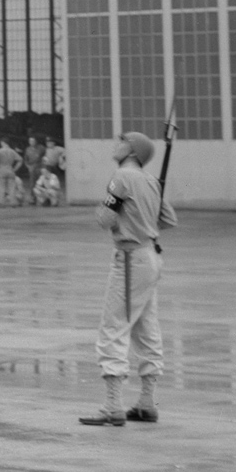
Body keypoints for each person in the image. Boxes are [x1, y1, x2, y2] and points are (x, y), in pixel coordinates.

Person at [79, 131, 177, 426]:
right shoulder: (150, 181)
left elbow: (105, 219)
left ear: (133, 150)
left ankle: (112, 406)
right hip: (150, 255)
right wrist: (143, 222)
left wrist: (121, 219)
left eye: (122, 140)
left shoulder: (121, 176)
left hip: (131, 258)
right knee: (146, 328)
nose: (116, 143)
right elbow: (169, 220)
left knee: (114, 327)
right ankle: (147, 401)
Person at [0, 140, 21, 206]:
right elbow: (20, 160)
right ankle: (13, 202)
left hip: (2, 169)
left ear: (3, 143)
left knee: (1, 186)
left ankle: (1, 202)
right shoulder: (12, 151)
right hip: (10, 169)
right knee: (12, 187)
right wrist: (15, 169)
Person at [23, 134, 44, 200]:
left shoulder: (41, 148)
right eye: (30, 141)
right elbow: (25, 160)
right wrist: (28, 167)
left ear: (36, 141)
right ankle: (33, 198)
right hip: (32, 168)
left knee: (41, 183)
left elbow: (45, 157)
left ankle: (43, 198)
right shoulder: (28, 149)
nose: (31, 142)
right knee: (32, 183)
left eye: (33, 141)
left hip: (39, 167)